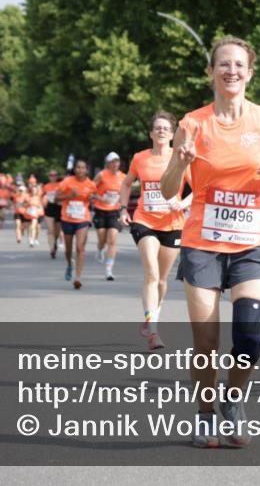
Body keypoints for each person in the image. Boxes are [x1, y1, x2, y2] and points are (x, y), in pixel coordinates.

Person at [161, 36, 260, 448]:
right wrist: (179, 161)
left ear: (250, 72)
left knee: (249, 337)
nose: (231, 71)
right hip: (203, 242)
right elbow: (167, 191)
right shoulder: (193, 124)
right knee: (207, 342)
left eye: (239, 65)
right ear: (211, 72)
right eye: (223, 65)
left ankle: (233, 399)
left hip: (254, 241)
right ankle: (204, 415)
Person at [119, 111, 192, 350]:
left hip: (172, 223)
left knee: (162, 279)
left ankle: (152, 318)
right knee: (151, 273)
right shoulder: (140, 158)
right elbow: (127, 182)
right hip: (144, 221)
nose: (161, 131)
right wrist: (123, 208)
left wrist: (181, 203)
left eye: (166, 128)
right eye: (157, 128)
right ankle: (152, 328)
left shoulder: (180, 158)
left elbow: (200, 189)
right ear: (151, 133)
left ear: (172, 135)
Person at [55, 159, 97, 289]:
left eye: (83, 168)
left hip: (82, 219)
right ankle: (69, 265)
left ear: (86, 170)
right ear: (74, 169)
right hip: (67, 218)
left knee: (79, 248)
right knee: (68, 249)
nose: (80, 170)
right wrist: (69, 196)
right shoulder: (67, 182)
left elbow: (93, 198)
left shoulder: (91, 184)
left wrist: (92, 199)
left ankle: (78, 277)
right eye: (78, 167)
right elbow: (56, 199)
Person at [93, 152, 126, 281]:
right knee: (102, 240)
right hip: (101, 210)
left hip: (115, 212)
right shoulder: (101, 175)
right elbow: (91, 188)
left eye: (117, 161)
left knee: (112, 240)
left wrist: (123, 206)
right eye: (112, 161)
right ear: (108, 163)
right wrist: (100, 197)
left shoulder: (123, 177)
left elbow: (126, 191)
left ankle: (109, 269)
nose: (115, 164)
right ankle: (100, 249)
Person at [42, 170, 64, 258]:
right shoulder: (46, 186)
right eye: (51, 175)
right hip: (49, 207)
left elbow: (65, 195)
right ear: (49, 176)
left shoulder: (61, 185)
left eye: (55, 175)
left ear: (57, 176)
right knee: (50, 230)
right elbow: (43, 196)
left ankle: (55, 243)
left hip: (59, 208)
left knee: (57, 231)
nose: (53, 177)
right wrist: (43, 201)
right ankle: (51, 249)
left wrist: (61, 201)